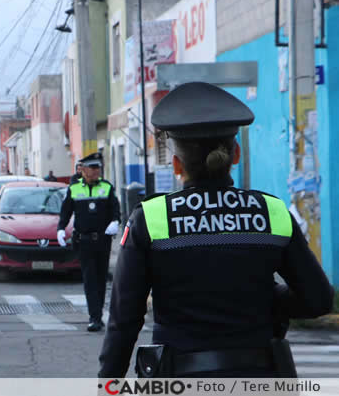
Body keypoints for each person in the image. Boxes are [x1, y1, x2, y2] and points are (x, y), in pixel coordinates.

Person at [98, 82, 335, 378]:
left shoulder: (151, 218)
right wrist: (268, 300)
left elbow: (125, 319)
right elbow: (318, 299)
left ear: (176, 164)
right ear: (235, 154)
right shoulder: (271, 212)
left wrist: (107, 384)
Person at [57, 152, 120, 332]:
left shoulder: (106, 187)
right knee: (89, 279)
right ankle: (95, 317)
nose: (96, 171)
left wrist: (116, 221)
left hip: (102, 240)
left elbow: (115, 208)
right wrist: (61, 228)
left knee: (101, 279)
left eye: (98, 168)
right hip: (84, 241)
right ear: (83, 170)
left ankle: (97, 313)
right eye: (92, 168)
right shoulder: (74, 188)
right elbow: (66, 210)